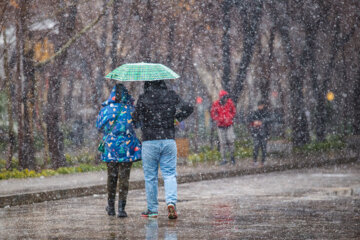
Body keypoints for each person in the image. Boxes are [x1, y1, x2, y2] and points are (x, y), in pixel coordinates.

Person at [133, 80, 193, 219]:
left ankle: (152, 209)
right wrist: (177, 117)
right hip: (168, 140)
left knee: (150, 178)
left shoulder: (143, 98)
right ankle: (171, 202)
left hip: (149, 141)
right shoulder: (171, 95)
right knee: (170, 174)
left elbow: (135, 119)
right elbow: (189, 107)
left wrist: (142, 118)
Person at [96, 83, 141, 217]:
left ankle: (110, 207)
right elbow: (137, 125)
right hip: (127, 147)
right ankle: (121, 209)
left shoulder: (106, 109)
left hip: (110, 148)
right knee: (124, 178)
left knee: (111, 177)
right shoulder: (131, 109)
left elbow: (98, 126)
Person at [210, 90, 236, 165]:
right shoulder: (216, 104)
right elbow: (213, 114)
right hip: (220, 126)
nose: (226, 99)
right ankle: (224, 159)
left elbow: (233, 111)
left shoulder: (229, 103)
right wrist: (219, 119)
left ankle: (232, 157)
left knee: (231, 141)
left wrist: (229, 117)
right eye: (224, 97)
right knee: (223, 143)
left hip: (229, 125)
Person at [248, 100, 271, 167]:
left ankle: (263, 161)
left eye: (261, 105)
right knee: (256, 146)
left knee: (263, 147)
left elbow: (270, 119)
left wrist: (262, 121)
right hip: (256, 132)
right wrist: (255, 122)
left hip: (264, 132)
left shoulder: (266, 112)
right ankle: (255, 160)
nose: (260, 107)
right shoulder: (255, 113)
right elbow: (250, 119)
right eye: (259, 105)